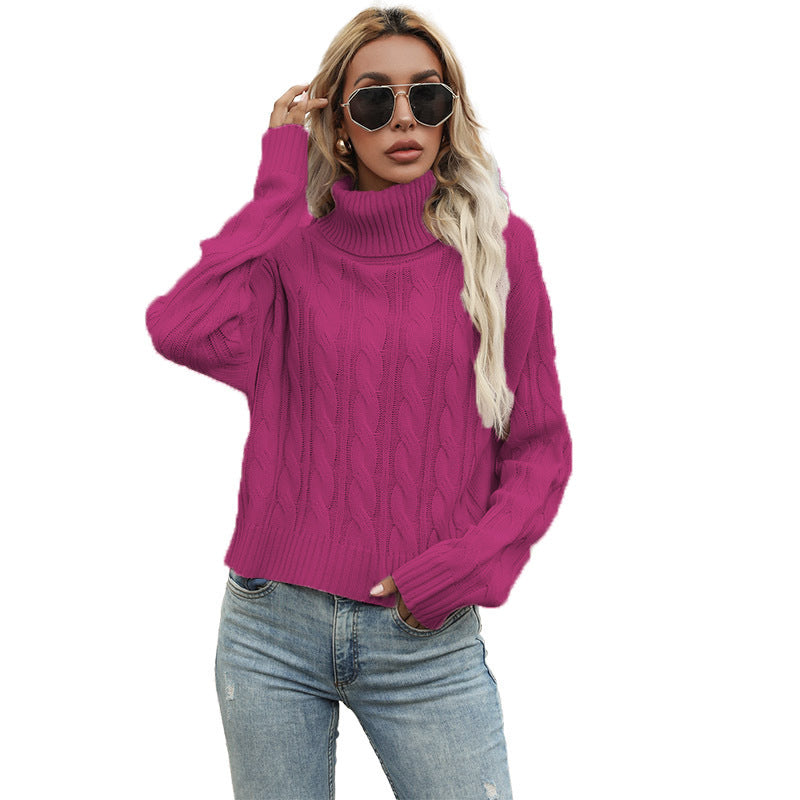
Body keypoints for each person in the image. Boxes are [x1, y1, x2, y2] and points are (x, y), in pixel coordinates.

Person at [145, 6, 572, 799]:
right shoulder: (288, 253)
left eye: (427, 96)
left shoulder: (498, 250)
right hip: (270, 628)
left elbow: (539, 447)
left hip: (426, 638)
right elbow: (180, 327)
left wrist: (463, 567)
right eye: (375, 100)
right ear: (340, 124)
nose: (403, 118)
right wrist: (279, 183)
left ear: (449, 113)